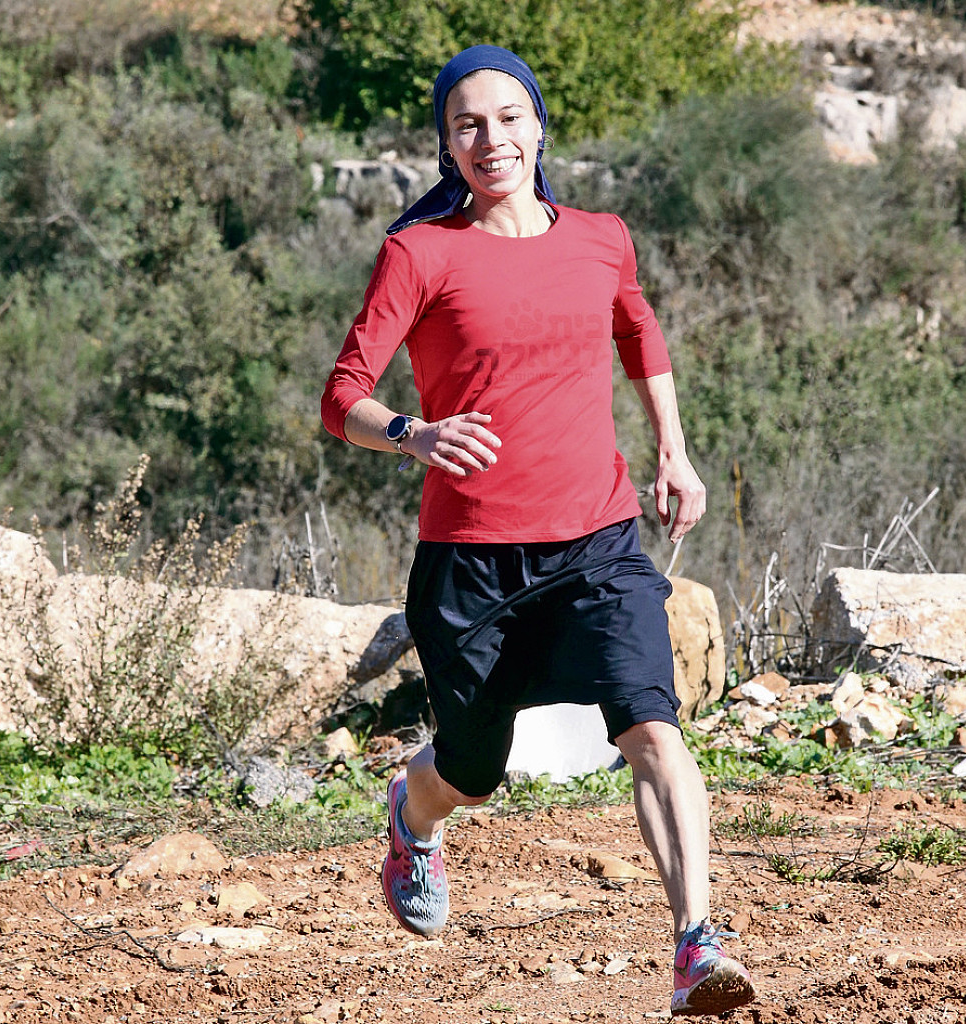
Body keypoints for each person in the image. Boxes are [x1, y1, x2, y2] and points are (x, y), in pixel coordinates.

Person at [320, 44, 755, 1017]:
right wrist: (415, 433)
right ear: (445, 143)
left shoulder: (601, 237)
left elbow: (637, 330)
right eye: (467, 124)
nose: (491, 139)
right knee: (472, 771)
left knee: (650, 723)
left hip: (598, 542)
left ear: (539, 126)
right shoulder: (420, 253)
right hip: (470, 562)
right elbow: (342, 396)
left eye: (508, 117)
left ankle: (695, 942)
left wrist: (674, 450)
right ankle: (412, 814)